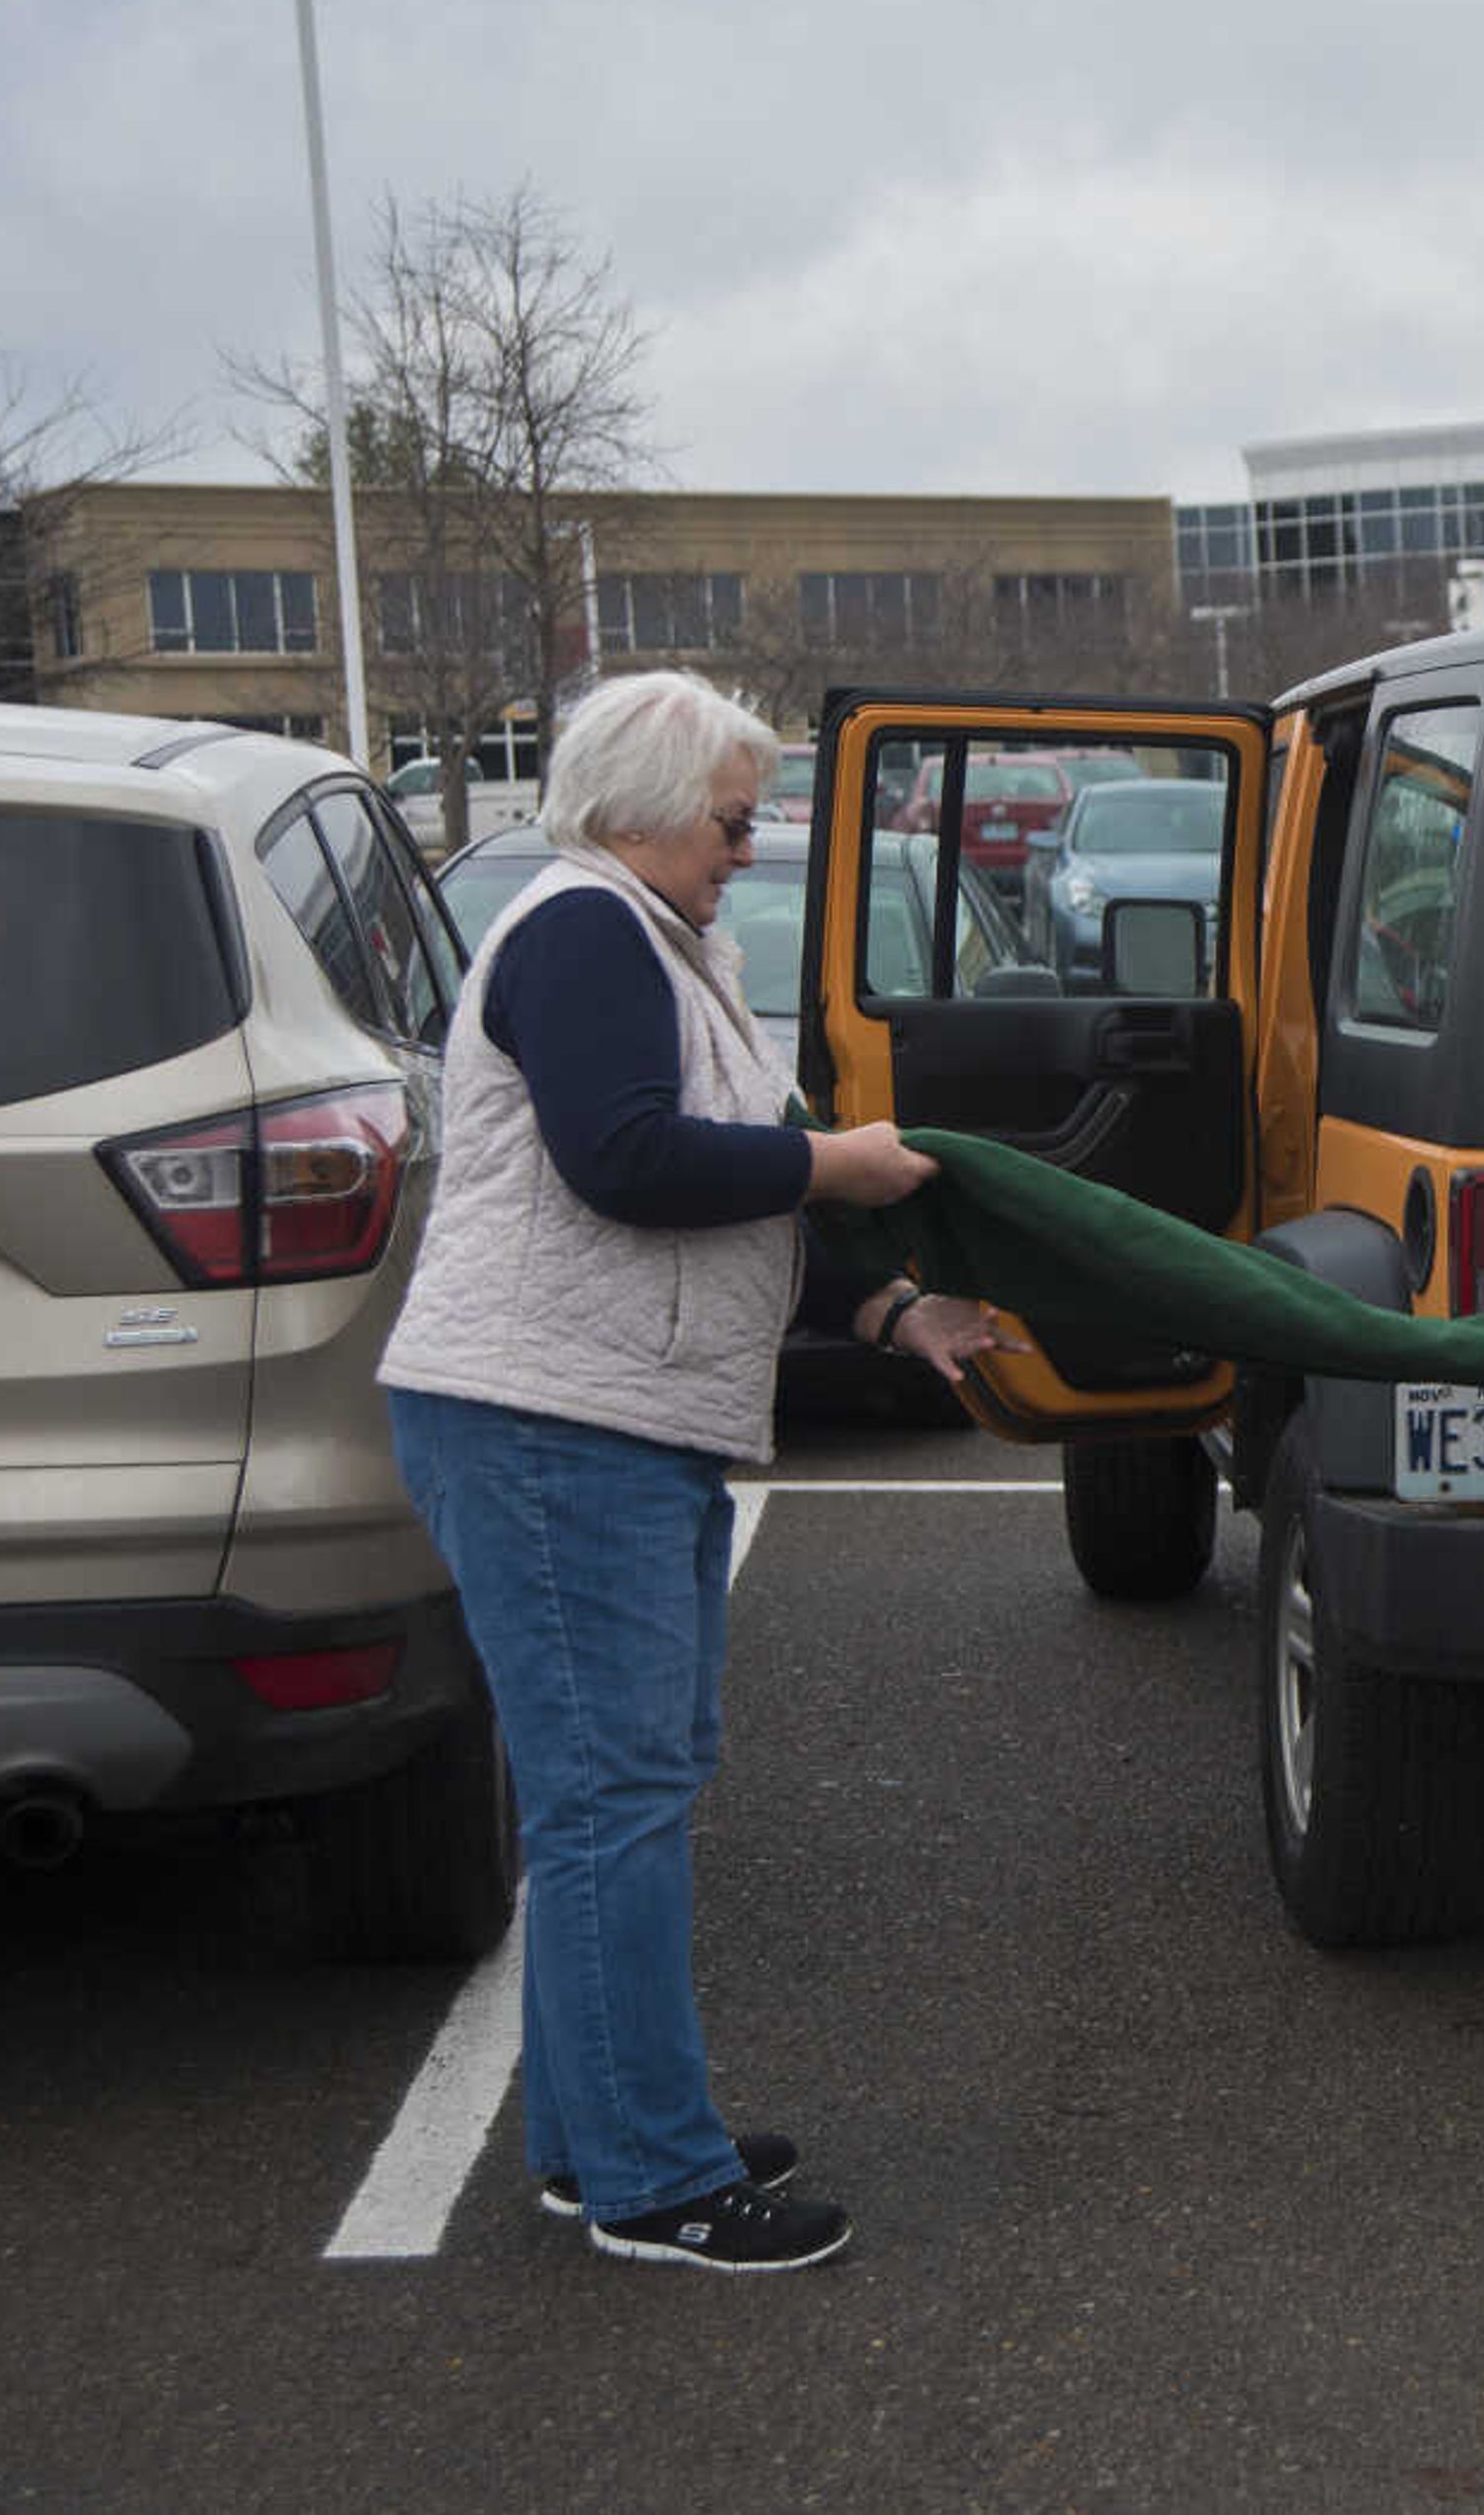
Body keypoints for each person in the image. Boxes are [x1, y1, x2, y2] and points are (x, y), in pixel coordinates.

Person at [379, 669, 1018, 2273]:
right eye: (737, 819)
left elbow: (723, 1202)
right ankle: (658, 2182)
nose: (751, 845)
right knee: (615, 1797)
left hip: (602, 1418)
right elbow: (630, 1161)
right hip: (551, 1423)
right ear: (650, 804)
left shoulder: (651, 940)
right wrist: (837, 1160)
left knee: (620, 1787)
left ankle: (589, 2140)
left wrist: (886, 1303)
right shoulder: (589, 929)